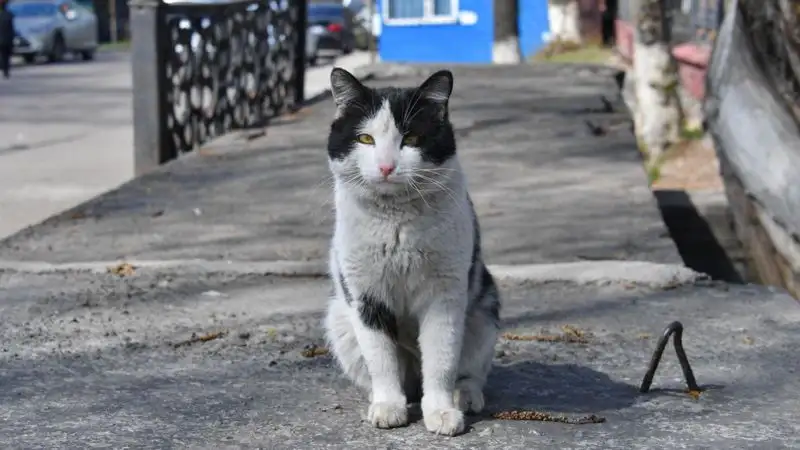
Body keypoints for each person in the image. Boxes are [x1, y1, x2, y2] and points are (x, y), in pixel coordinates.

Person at [0, 0, 14, 79]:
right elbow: (11, 28)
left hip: (1, 38)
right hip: (7, 38)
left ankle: (4, 69)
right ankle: (6, 70)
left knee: (3, 55)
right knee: (7, 55)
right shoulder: (9, 15)